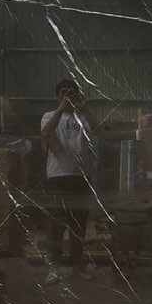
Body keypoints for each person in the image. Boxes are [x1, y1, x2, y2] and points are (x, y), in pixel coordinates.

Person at [40, 79, 99, 284]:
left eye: (71, 93)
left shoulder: (82, 118)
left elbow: (99, 130)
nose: (68, 97)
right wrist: (61, 108)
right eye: (64, 93)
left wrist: (85, 110)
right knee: (56, 225)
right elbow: (46, 133)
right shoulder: (49, 116)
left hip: (81, 177)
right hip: (58, 176)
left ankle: (77, 267)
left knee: (78, 226)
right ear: (57, 96)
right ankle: (54, 268)